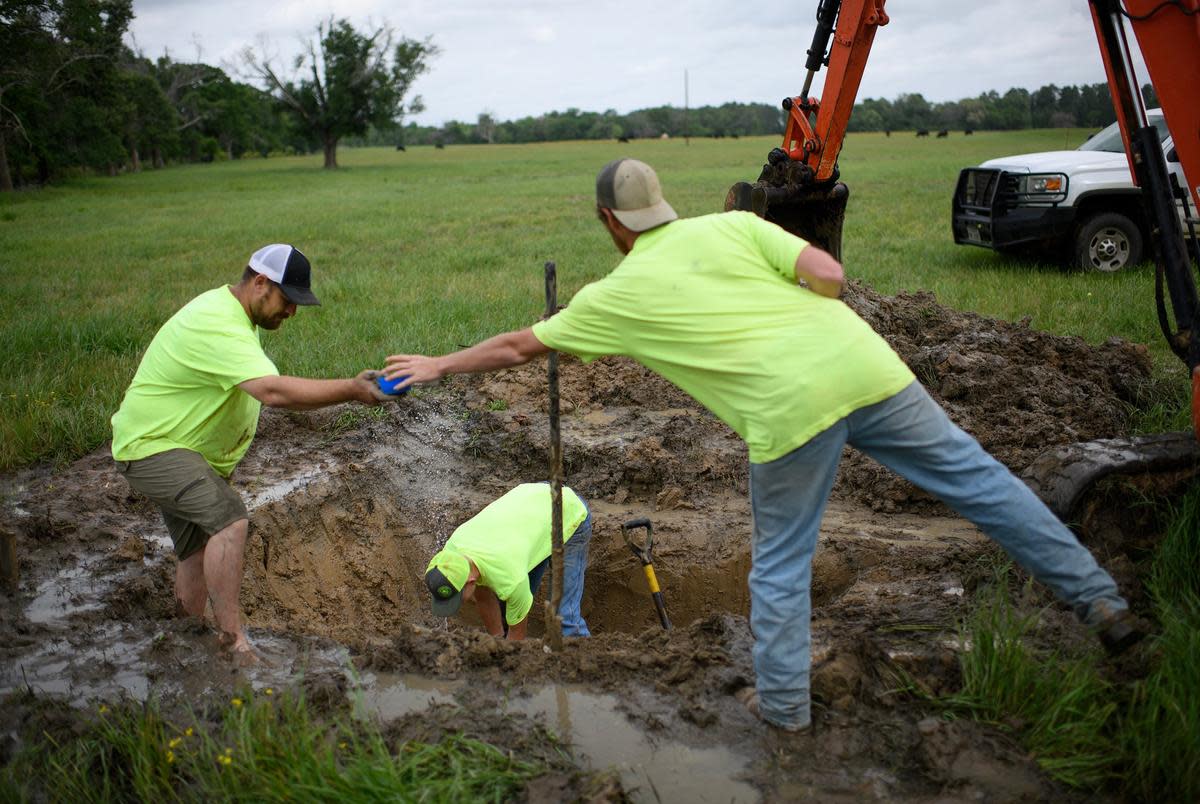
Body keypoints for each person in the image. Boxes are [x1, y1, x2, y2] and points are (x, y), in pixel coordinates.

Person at [385, 159, 1144, 732]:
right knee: (984, 484)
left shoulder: (612, 298)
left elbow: (521, 345)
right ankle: (1102, 602)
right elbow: (831, 273)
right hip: (871, 367)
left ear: (609, 223)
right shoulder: (734, 225)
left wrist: (440, 364)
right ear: (662, 207)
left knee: (779, 567)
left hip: (788, 415)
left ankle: (782, 714)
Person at [111, 244, 390, 662]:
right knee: (230, 520)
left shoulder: (237, 316)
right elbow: (273, 392)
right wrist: (350, 389)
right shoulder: (217, 323)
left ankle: (185, 635)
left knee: (197, 550)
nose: (292, 313)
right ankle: (232, 643)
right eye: (288, 300)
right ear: (260, 283)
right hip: (154, 447)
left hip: (180, 450)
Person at [424, 483, 592, 639]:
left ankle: (583, 663)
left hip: (565, 510)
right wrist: (496, 641)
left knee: (562, 618)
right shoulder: (451, 554)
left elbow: (516, 642)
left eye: (457, 598)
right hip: (529, 517)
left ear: (470, 581)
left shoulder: (511, 579)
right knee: (508, 611)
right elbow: (484, 597)